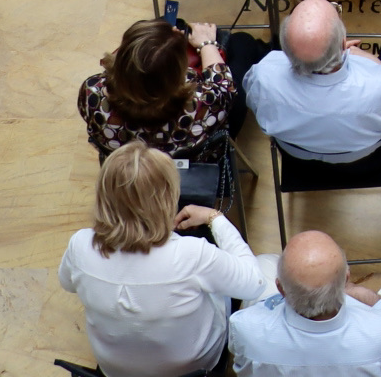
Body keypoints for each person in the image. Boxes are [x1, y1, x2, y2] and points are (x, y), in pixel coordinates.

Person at [58, 141, 274, 377]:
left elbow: (67, 283)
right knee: (266, 267)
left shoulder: (80, 244)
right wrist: (215, 218)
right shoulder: (192, 254)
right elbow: (255, 284)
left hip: (115, 369)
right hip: (195, 367)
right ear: (167, 198)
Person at [243, 0, 381, 163]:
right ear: (344, 43)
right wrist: (361, 56)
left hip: (298, 162)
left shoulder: (264, 75)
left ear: (284, 51)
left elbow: (254, 99)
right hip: (371, 161)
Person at [228, 229, 381, 377]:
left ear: (280, 288)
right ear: (346, 279)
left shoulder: (245, 327)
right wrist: (367, 297)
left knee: (264, 261)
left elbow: (259, 314)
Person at [78, 17, 243, 158]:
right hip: (194, 163)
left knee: (174, 22)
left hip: (128, 167)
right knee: (243, 44)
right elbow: (225, 87)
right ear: (178, 73)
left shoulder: (91, 92)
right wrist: (207, 43)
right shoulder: (201, 104)